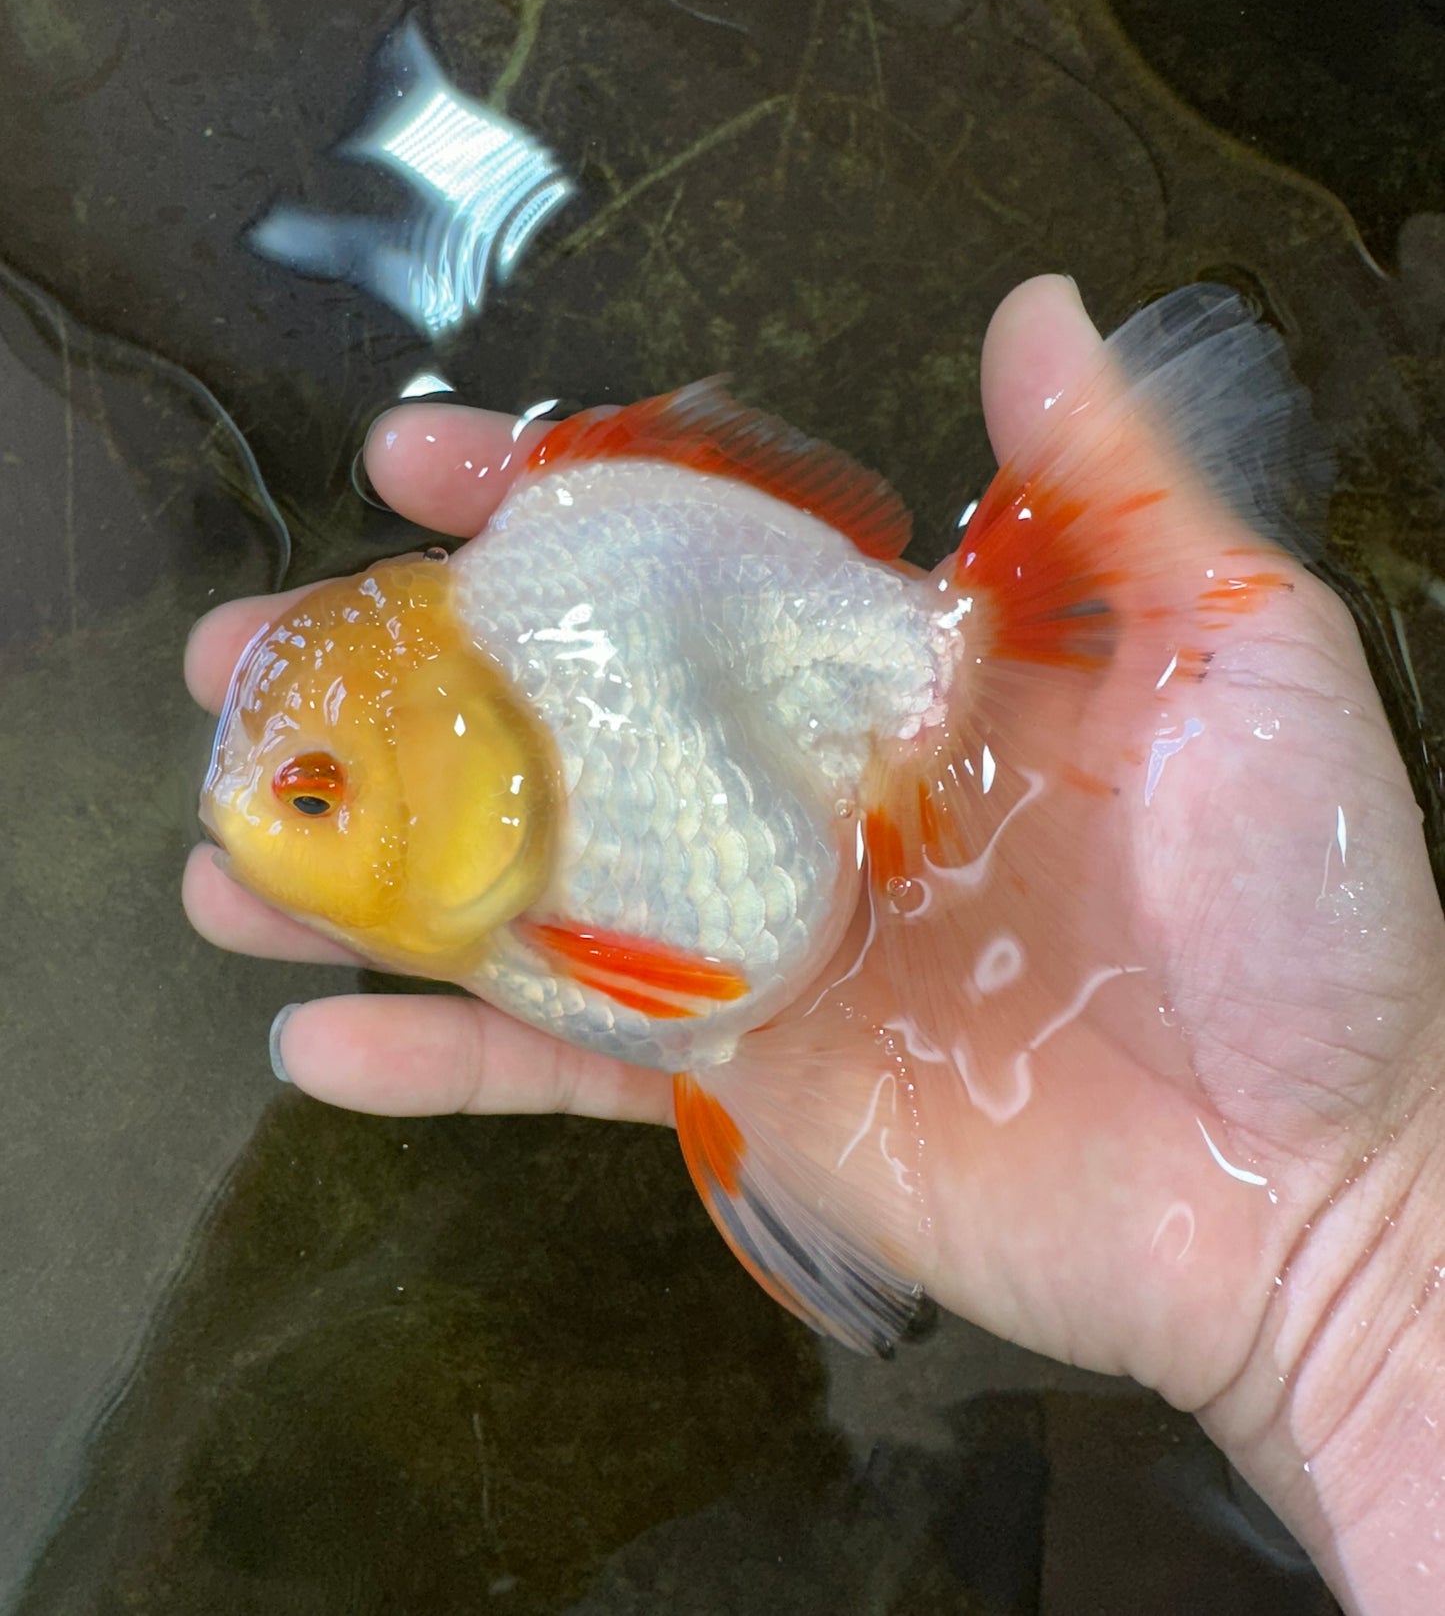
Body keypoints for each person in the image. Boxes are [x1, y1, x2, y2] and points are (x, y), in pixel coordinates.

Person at [183, 276, 1445, 1615]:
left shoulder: (568, 690)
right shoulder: (514, 788)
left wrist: (1357, 1233)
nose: (255, 820)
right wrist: (1357, 1262)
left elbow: (700, 993)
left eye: (316, 794)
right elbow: (710, 1009)